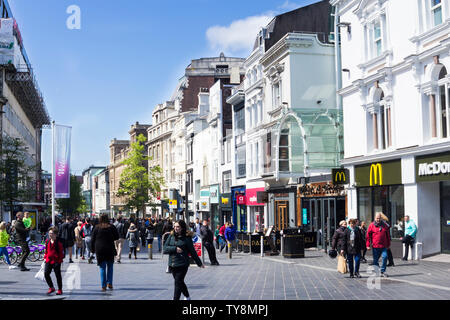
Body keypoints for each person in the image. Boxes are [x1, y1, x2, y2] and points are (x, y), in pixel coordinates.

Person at [163, 220, 204, 300]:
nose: (176, 228)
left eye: (178, 227)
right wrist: (175, 249)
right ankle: (187, 296)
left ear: (182, 227)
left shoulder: (187, 238)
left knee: (177, 282)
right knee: (180, 282)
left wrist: (199, 263)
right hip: (172, 264)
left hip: (183, 264)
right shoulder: (171, 236)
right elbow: (165, 248)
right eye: (175, 226)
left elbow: (193, 252)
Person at [91, 214, 119, 291]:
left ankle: (103, 285)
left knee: (102, 267)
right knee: (110, 266)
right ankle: (109, 283)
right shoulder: (112, 227)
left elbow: (92, 239)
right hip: (110, 248)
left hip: (100, 249)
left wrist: (92, 250)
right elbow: (117, 237)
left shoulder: (96, 228)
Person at [366, 212, 391, 277]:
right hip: (375, 246)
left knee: (385, 257)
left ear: (381, 218)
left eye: (379, 218)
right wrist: (368, 245)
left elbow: (388, 235)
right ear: (375, 218)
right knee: (375, 260)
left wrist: (388, 244)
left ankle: (383, 271)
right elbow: (368, 236)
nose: (378, 219)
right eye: (377, 218)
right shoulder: (371, 225)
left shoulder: (385, 225)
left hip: (384, 246)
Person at [43, 227, 64, 295]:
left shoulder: (59, 243)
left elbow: (61, 253)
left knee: (58, 275)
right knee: (46, 274)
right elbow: (46, 250)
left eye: (51, 233)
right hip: (48, 260)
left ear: (55, 234)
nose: (50, 234)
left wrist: (59, 261)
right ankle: (51, 287)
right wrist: (45, 257)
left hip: (56, 261)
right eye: (49, 233)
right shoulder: (47, 241)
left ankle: (60, 289)